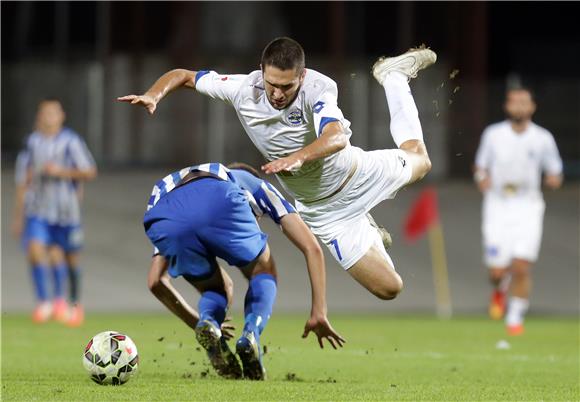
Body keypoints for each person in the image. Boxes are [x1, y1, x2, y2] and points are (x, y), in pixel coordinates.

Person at [120, 37, 435, 303]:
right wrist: (154, 94)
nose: (278, 93)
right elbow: (185, 75)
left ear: (302, 75)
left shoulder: (319, 88)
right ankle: (367, 230)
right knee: (389, 288)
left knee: (420, 160)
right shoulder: (243, 89)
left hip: (358, 176)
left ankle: (393, 77)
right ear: (261, 73)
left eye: (287, 86)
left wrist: (299, 157)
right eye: (272, 84)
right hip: (323, 212)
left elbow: (336, 137)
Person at [144, 162, 344, 380]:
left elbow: (156, 282)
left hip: (163, 216)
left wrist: (197, 324)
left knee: (218, 288)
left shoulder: (180, 189)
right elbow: (311, 247)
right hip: (220, 198)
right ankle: (251, 334)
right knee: (263, 269)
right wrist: (319, 311)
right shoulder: (252, 183)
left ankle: (209, 321)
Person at [474, 87, 563, 335]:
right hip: (497, 204)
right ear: (507, 106)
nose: (520, 107)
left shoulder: (542, 138)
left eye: (524, 103)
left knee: (522, 265)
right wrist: (481, 178)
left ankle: (514, 318)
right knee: (497, 269)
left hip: (528, 205)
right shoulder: (493, 135)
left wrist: (554, 178)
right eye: (515, 103)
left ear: (532, 107)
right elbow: (480, 166)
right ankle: (500, 286)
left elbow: (555, 169)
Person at [11, 98, 97, 326]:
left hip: (67, 212)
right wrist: (18, 216)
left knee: (68, 258)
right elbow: (22, 180)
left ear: (61, 116)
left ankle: (72, 303)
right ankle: (44, 302)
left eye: (53, 113)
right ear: (39, 117)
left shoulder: (71, 141)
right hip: (38, 210)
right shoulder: (32, 143)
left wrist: (61, 172)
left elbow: (89, 171)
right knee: (35, 250)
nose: (49, 117)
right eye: (44, 113)